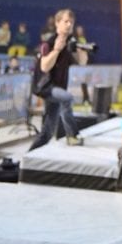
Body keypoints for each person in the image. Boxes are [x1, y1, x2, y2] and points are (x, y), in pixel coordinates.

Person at [28, 8, 87, 150]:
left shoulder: (70, 43)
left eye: (71, 22)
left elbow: (82, 62)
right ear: (57, 23)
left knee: (47, 133)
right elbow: (44, 67)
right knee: (67, 98)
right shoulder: (49, 43)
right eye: (66, 21)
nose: (69, 25)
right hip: (45, 87)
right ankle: (72, 136)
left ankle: (27, 156)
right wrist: (56, 50)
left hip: (57, 88)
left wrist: (81, 49)